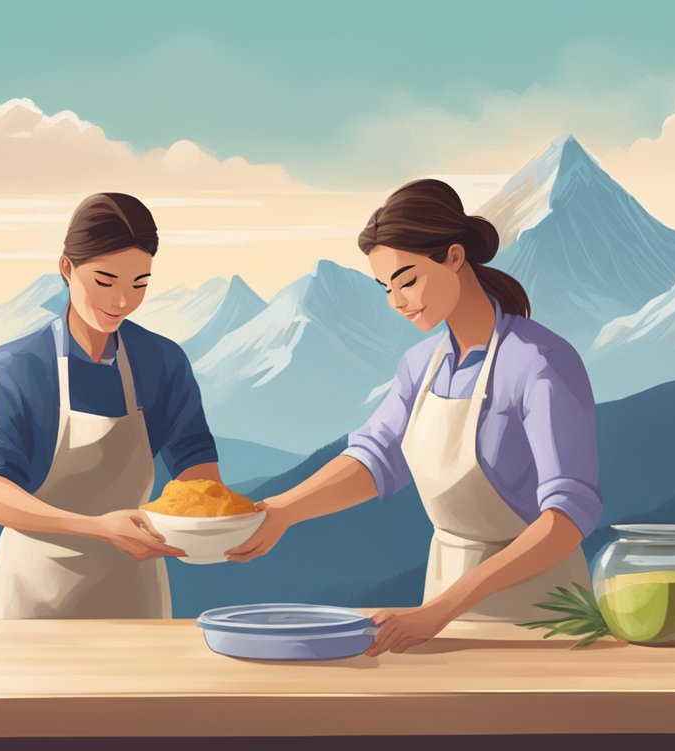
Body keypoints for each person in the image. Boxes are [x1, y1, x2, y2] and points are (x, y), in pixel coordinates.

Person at [226, 179, 600, 655]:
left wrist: (443, 610)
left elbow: (567, 517)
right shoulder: (422, 364)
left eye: (408, 280)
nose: (397, 301)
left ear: (455, 257)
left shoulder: (539, 361)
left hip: (541, 614)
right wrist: (284, 510)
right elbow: (377, 457)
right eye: (386, 287)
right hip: (440, 604)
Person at [0, 192, 221, 619]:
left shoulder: (161, 360)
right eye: (106, 281)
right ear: (67, 268)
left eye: (139, 284)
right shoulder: (17, 366)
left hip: (134, 591)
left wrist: (209, 525)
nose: (122, 301)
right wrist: (95, 528)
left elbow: (196, 466)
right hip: (34, 595)